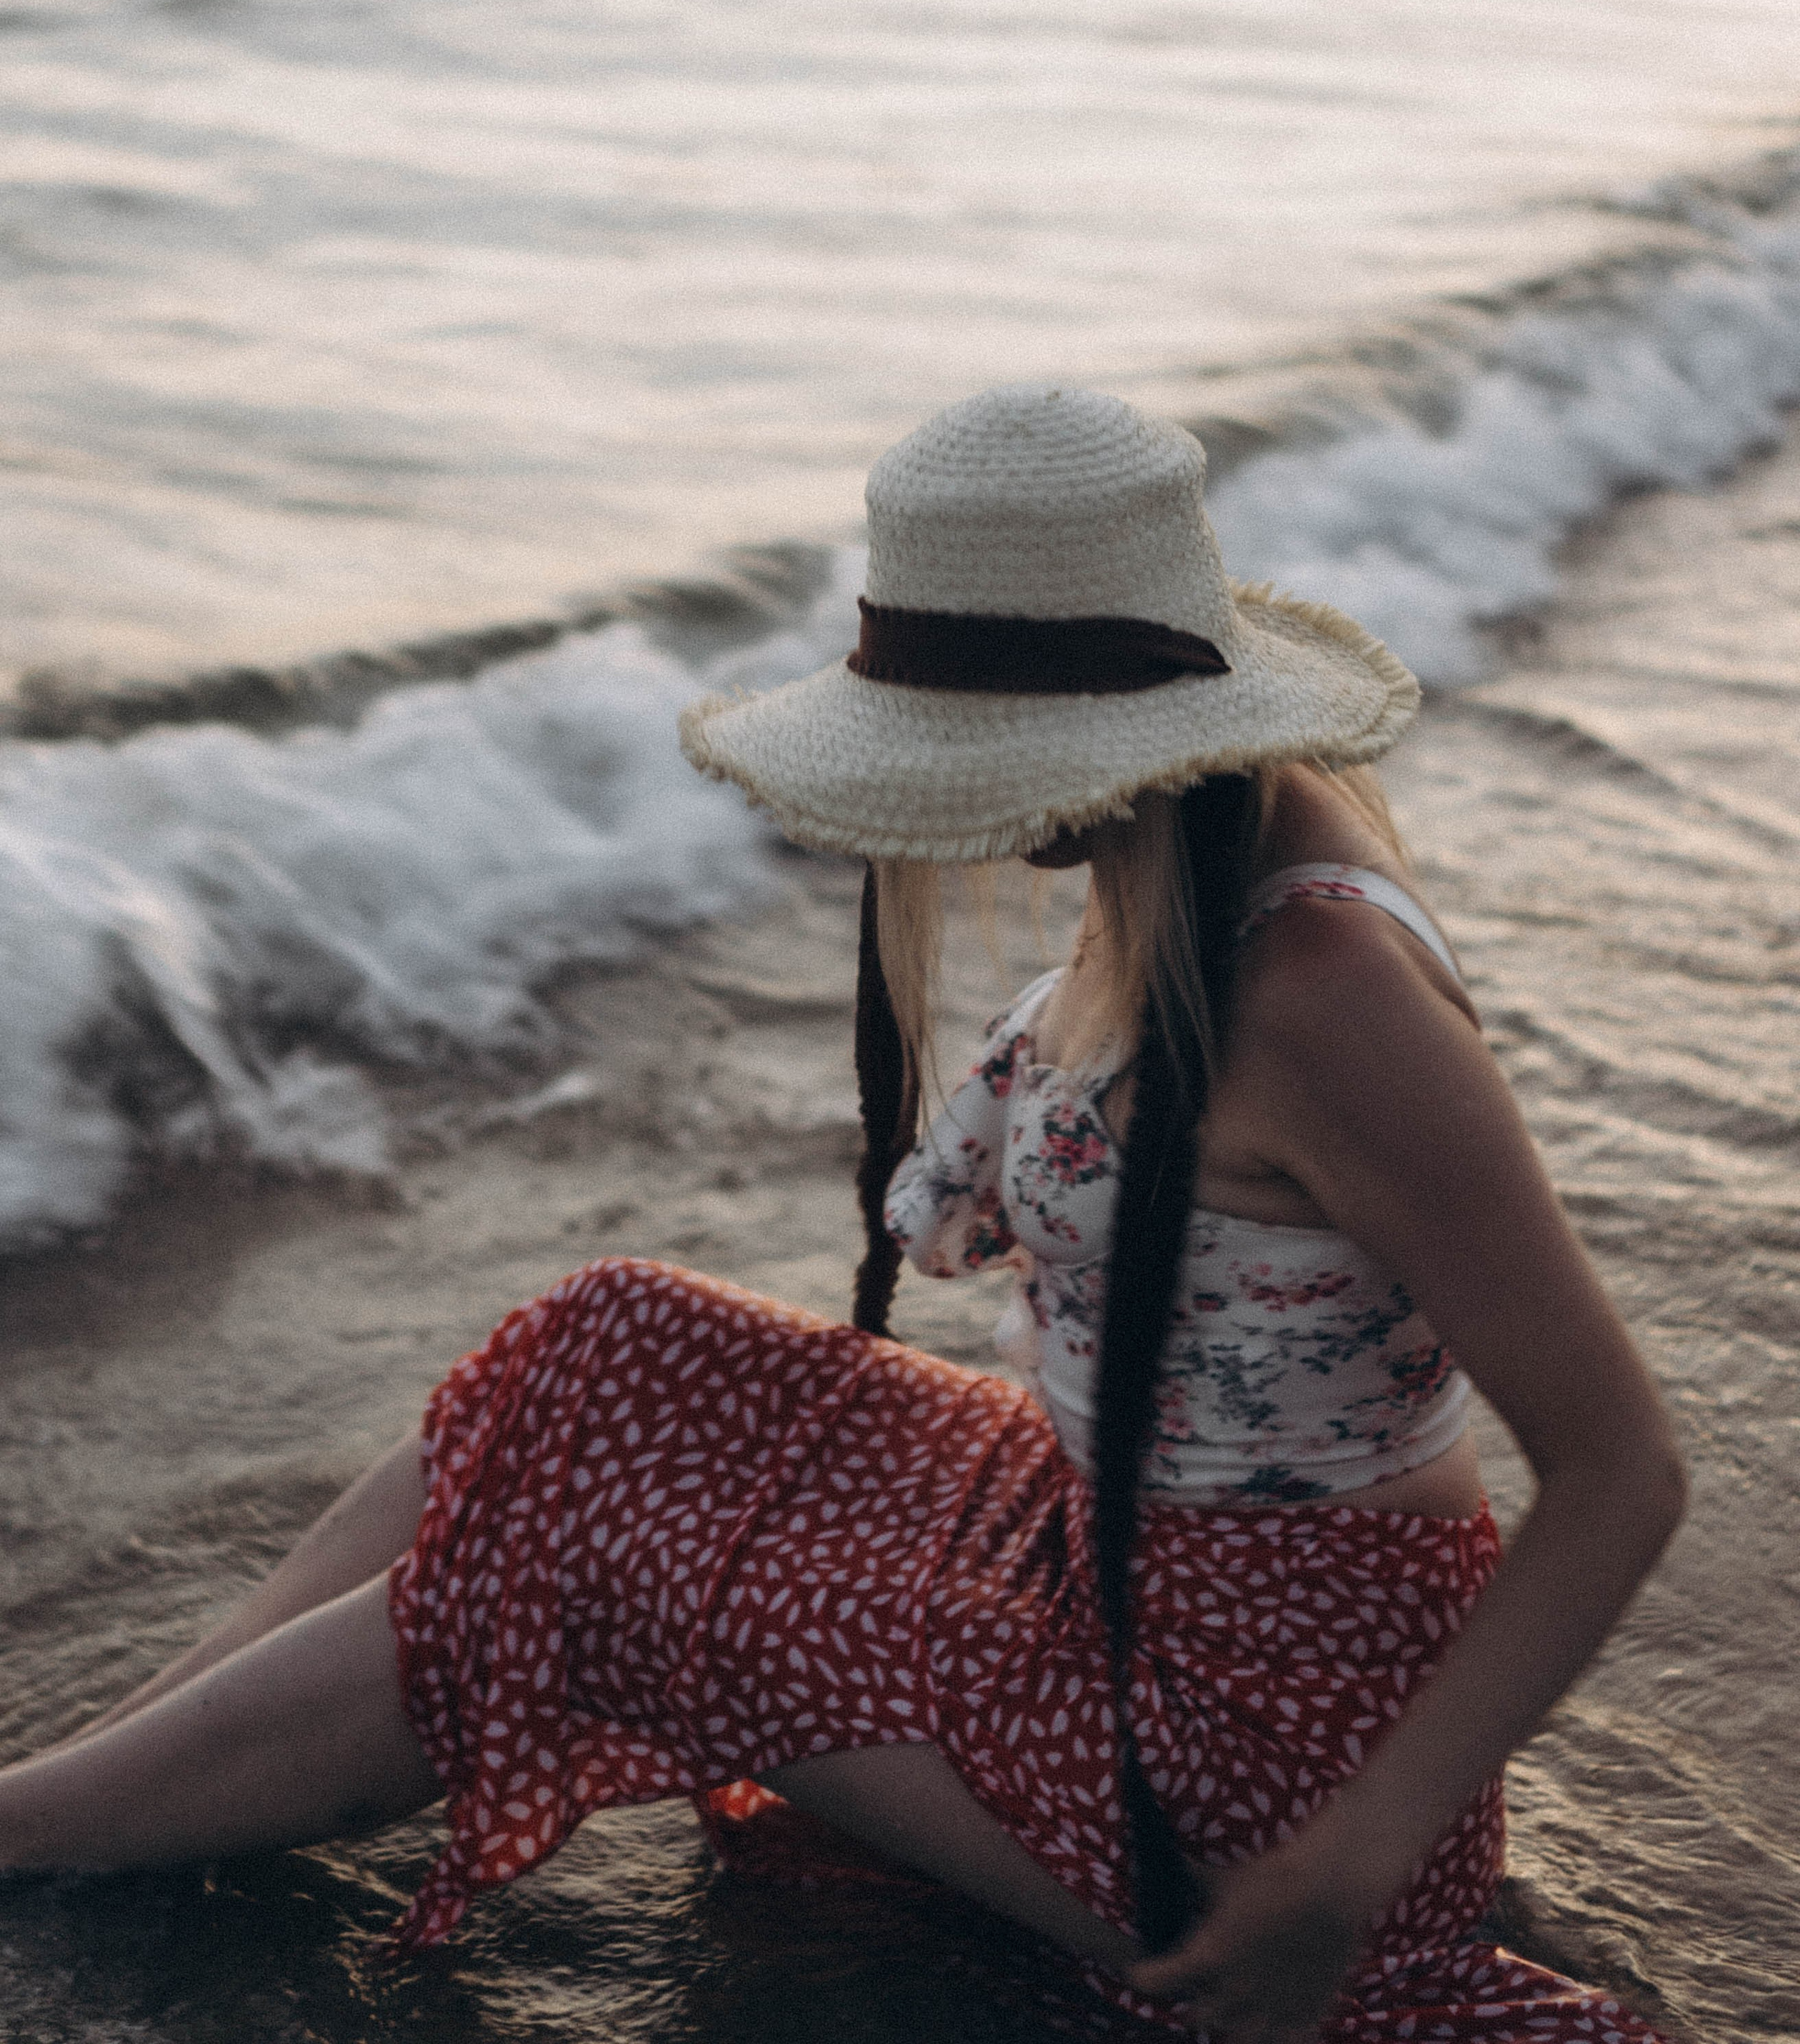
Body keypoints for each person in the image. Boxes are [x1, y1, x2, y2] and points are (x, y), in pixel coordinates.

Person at [0, 387, 1685, 2043]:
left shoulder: (1318, 997)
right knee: (614, 1335)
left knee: (580, 1556)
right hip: (1101, 1552)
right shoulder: (1204, 848)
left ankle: (42, 1828)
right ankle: (120, 1769)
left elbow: (1620, 1467)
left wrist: (1344, 1867)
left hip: (1257, 1751)